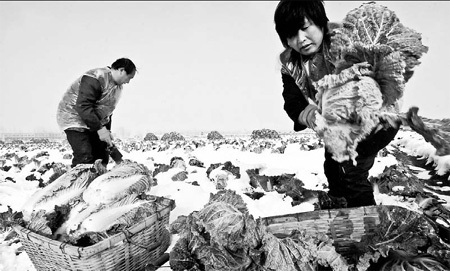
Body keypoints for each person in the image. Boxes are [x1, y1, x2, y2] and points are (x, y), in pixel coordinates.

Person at [274, 0, 399, 208]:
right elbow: (292, 100)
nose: (300, 39)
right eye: (291, 35)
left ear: (321, 23)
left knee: (351, 173)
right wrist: (310, 114)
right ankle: (341, 214)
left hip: (378, 120)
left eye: (305, 28)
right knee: (333, 170)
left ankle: (368, 224)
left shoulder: (344, 41)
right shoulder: (290, 64)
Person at [56, 58, 136, 167]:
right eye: (129, 77)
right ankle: (78, 182)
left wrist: (106, 132)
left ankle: (98, 182)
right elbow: (83, 106)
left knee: (101, 156)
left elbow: (107, 112)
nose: (128, 82)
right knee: (85, 156)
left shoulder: (117, 88)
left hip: (93, 121)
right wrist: (100, 129)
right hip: (74, 118)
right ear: (121, 70)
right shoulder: (96, 77)